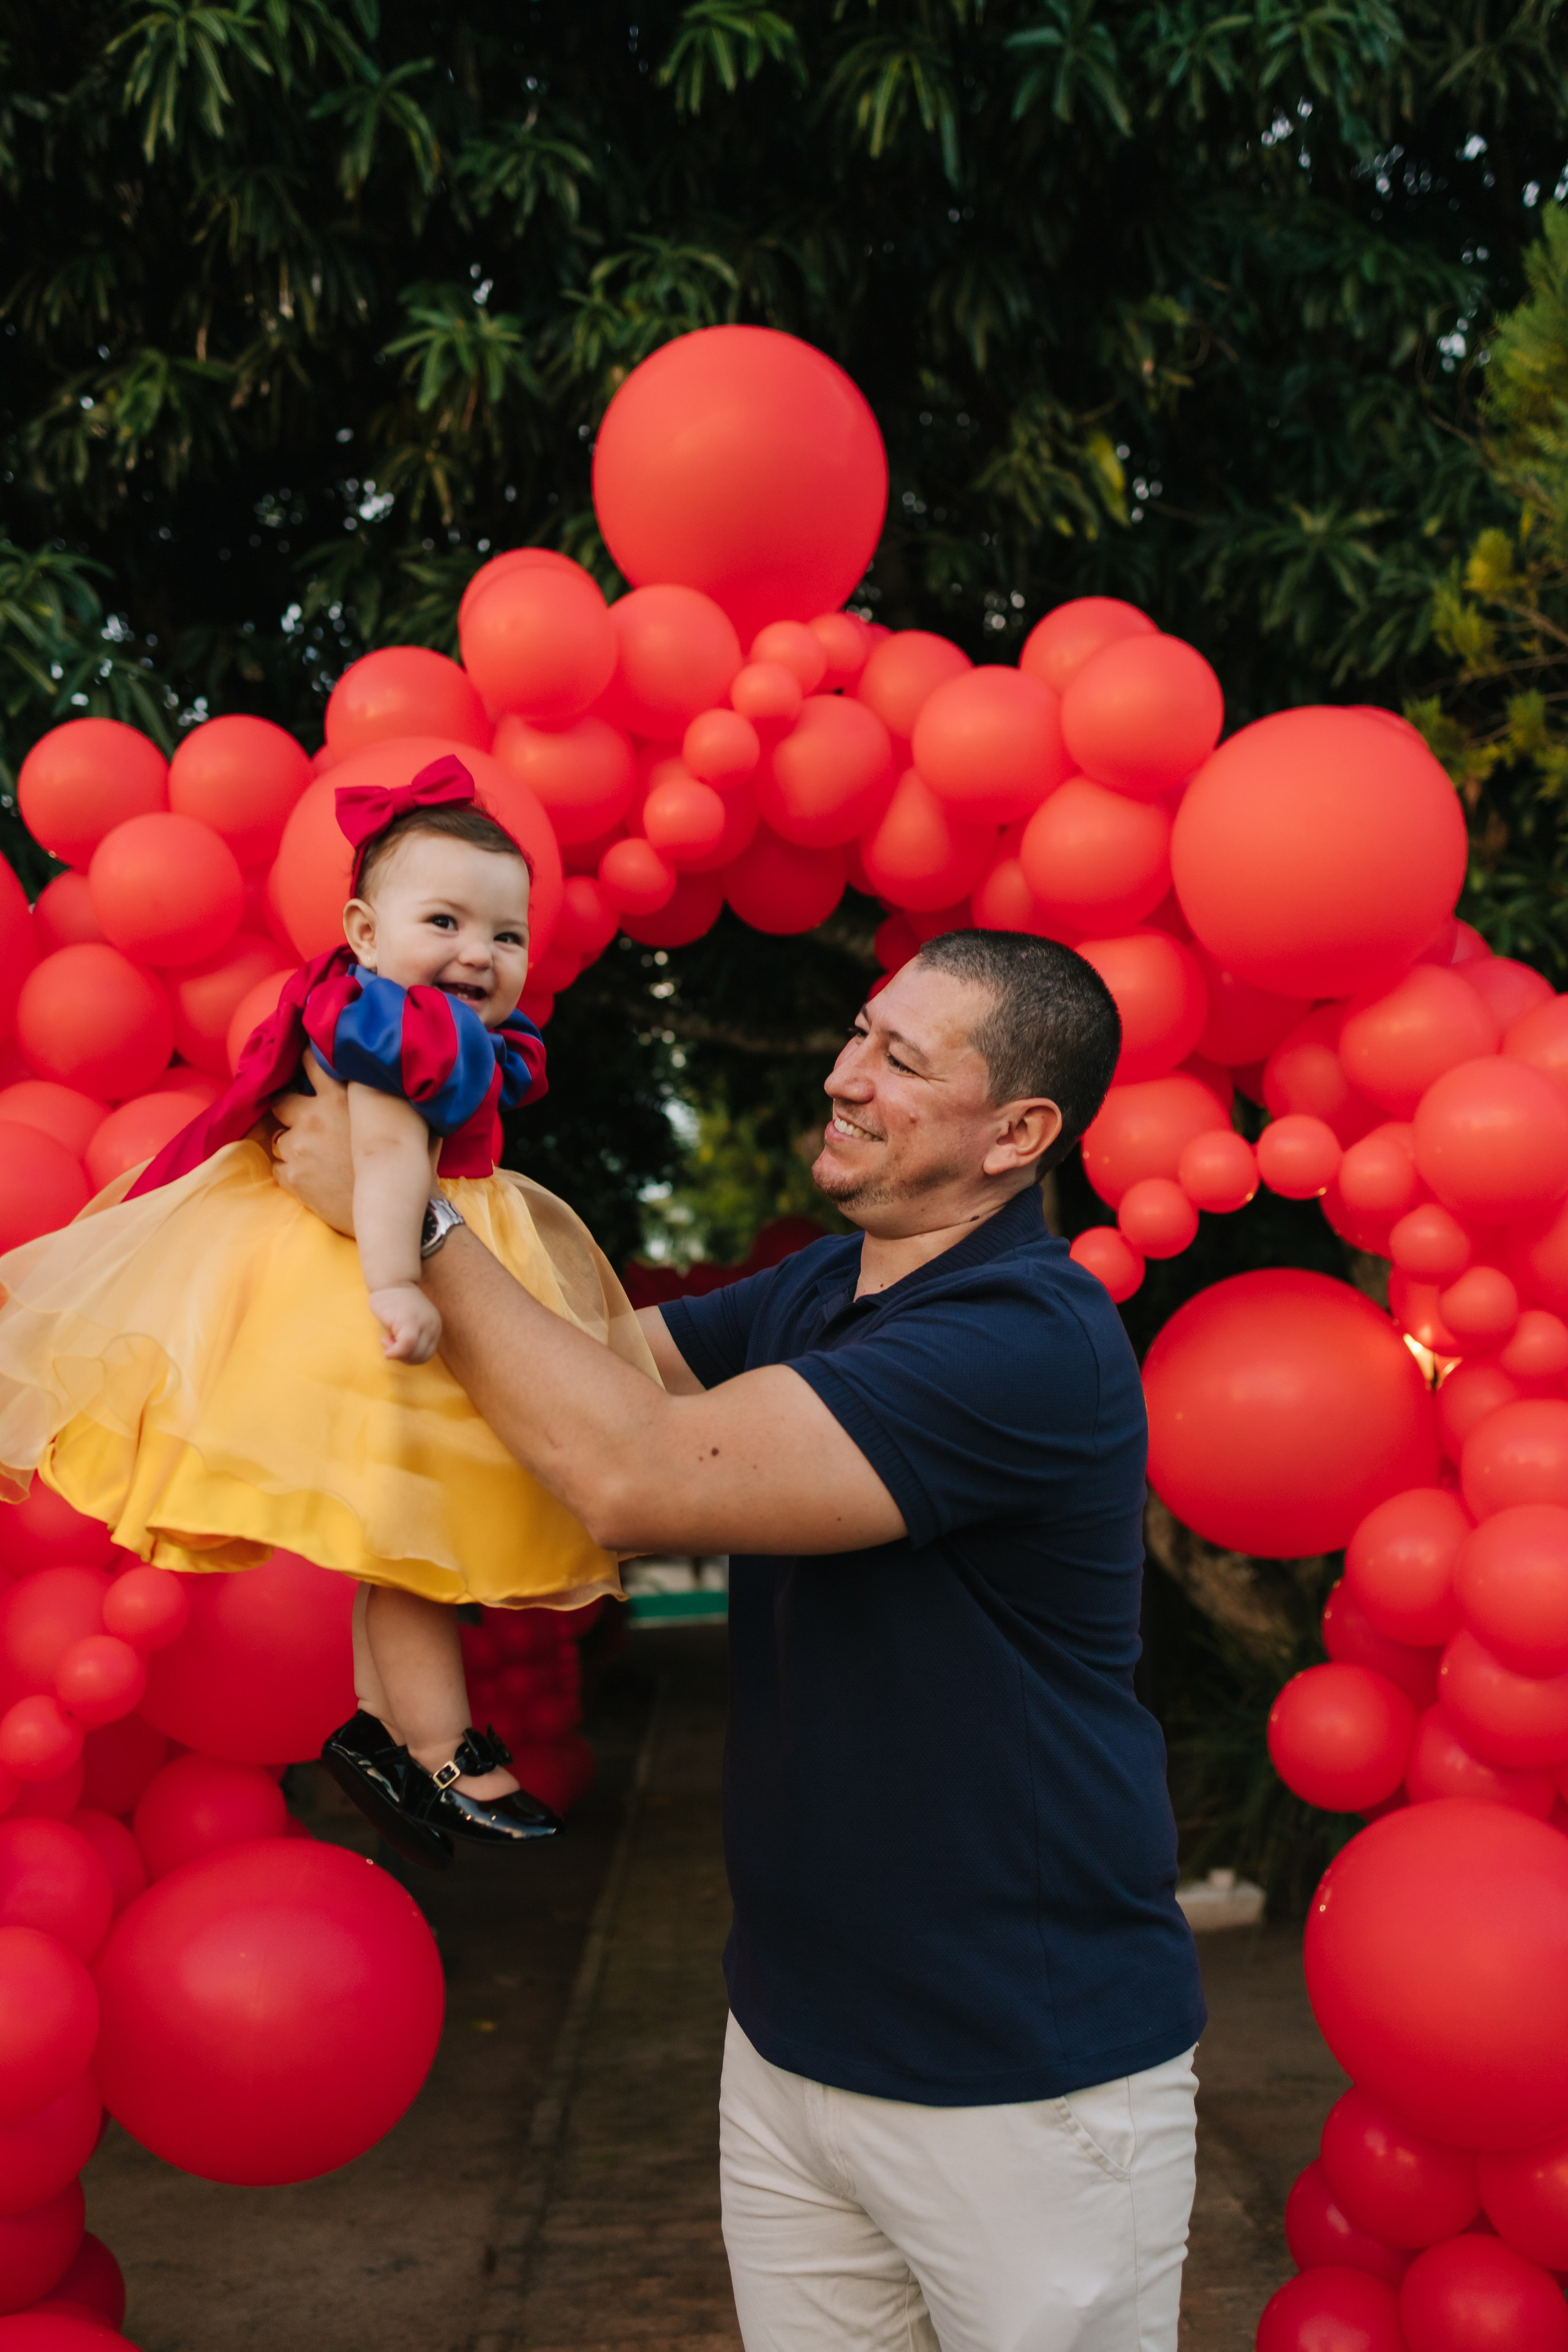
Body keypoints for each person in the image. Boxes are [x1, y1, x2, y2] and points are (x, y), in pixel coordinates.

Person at [273, 925, 1207, 2350]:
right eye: (856, 1031)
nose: (843, 1074)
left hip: (1022, 2081)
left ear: (1017, 1132)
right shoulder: (818, 1291)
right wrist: (396, 1142)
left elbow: (632, 1470)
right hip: (788, 2043)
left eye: (899, 1059)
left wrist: (418, 1226)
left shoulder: (1028, 1336)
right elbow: (564, 1378)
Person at [0, 754, 654, 1868]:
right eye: (443, 920)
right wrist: (399, 1282)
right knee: (414, 1543)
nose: (476, 954)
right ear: (360, 929)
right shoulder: (405, 1031)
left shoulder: (385, 1010)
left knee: (384, 1532)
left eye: (505, 936)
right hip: (383, 1267)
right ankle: (444, 1748)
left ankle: (375, 1731)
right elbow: (386, 1161)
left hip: (374, 1262)